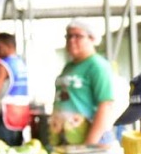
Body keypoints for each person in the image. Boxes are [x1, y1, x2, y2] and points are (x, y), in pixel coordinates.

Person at [50, 19, 116, 147]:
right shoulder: (69, 67)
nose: (71, 40)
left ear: (92, 38)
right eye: (68, 36)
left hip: (91, 140)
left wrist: (88, 145)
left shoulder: (98, 66)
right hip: (70, 138)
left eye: (77, 36)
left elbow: (105, 106)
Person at [0, 33, 29, 146]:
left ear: (3, 46)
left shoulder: (3, 65)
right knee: (17, 150)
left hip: (4, 117)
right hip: (20, 115)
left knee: (4, 153)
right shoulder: (21, 63)